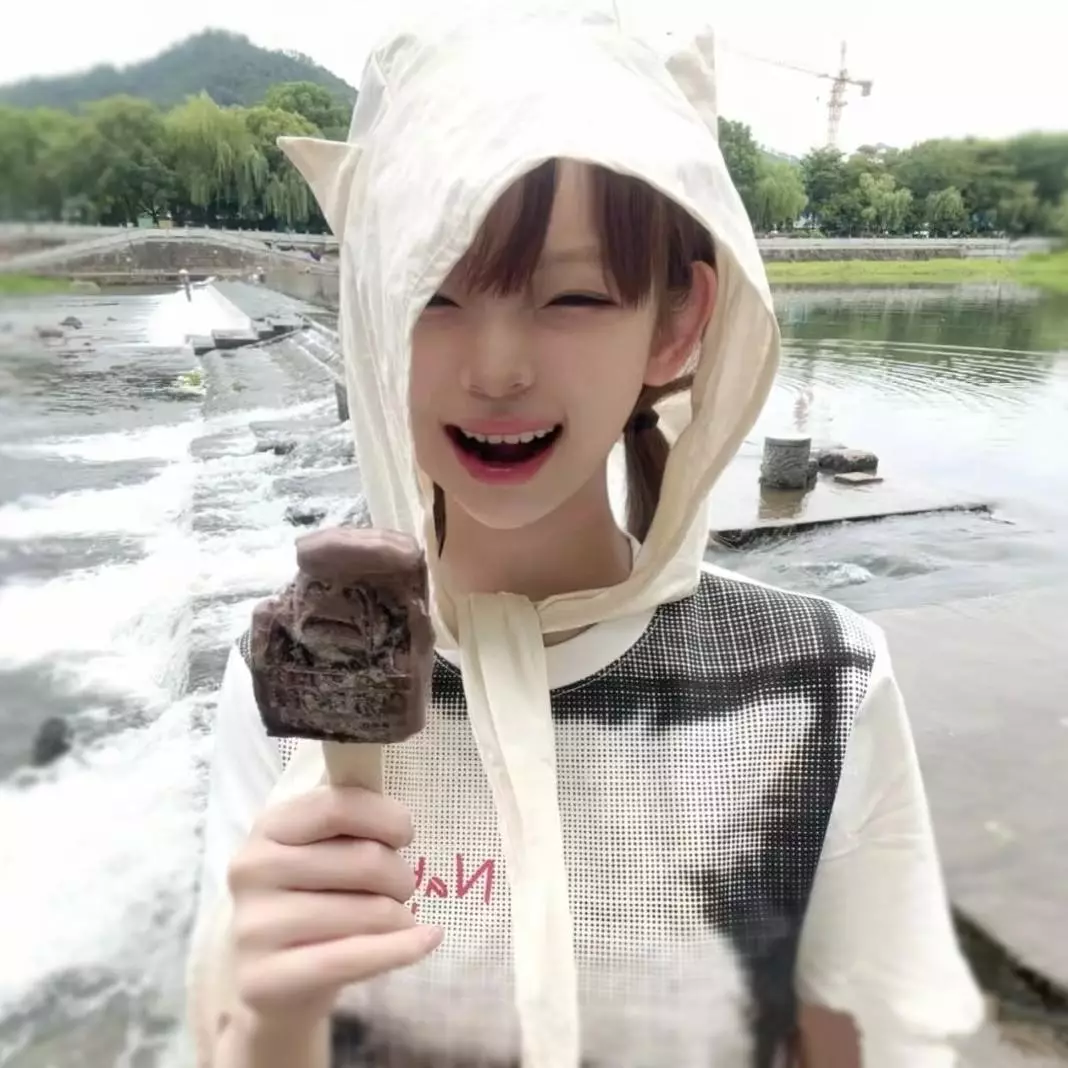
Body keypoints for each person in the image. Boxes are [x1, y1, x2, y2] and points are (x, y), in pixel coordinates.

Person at [185, 9, 985, 1068]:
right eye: (433, 293)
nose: (497, 368)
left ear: (676, 322)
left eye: (570, 296)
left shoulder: (823, 685)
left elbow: (870, 1047)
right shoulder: (287, 681)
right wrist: (270, 1021)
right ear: (372, 313)